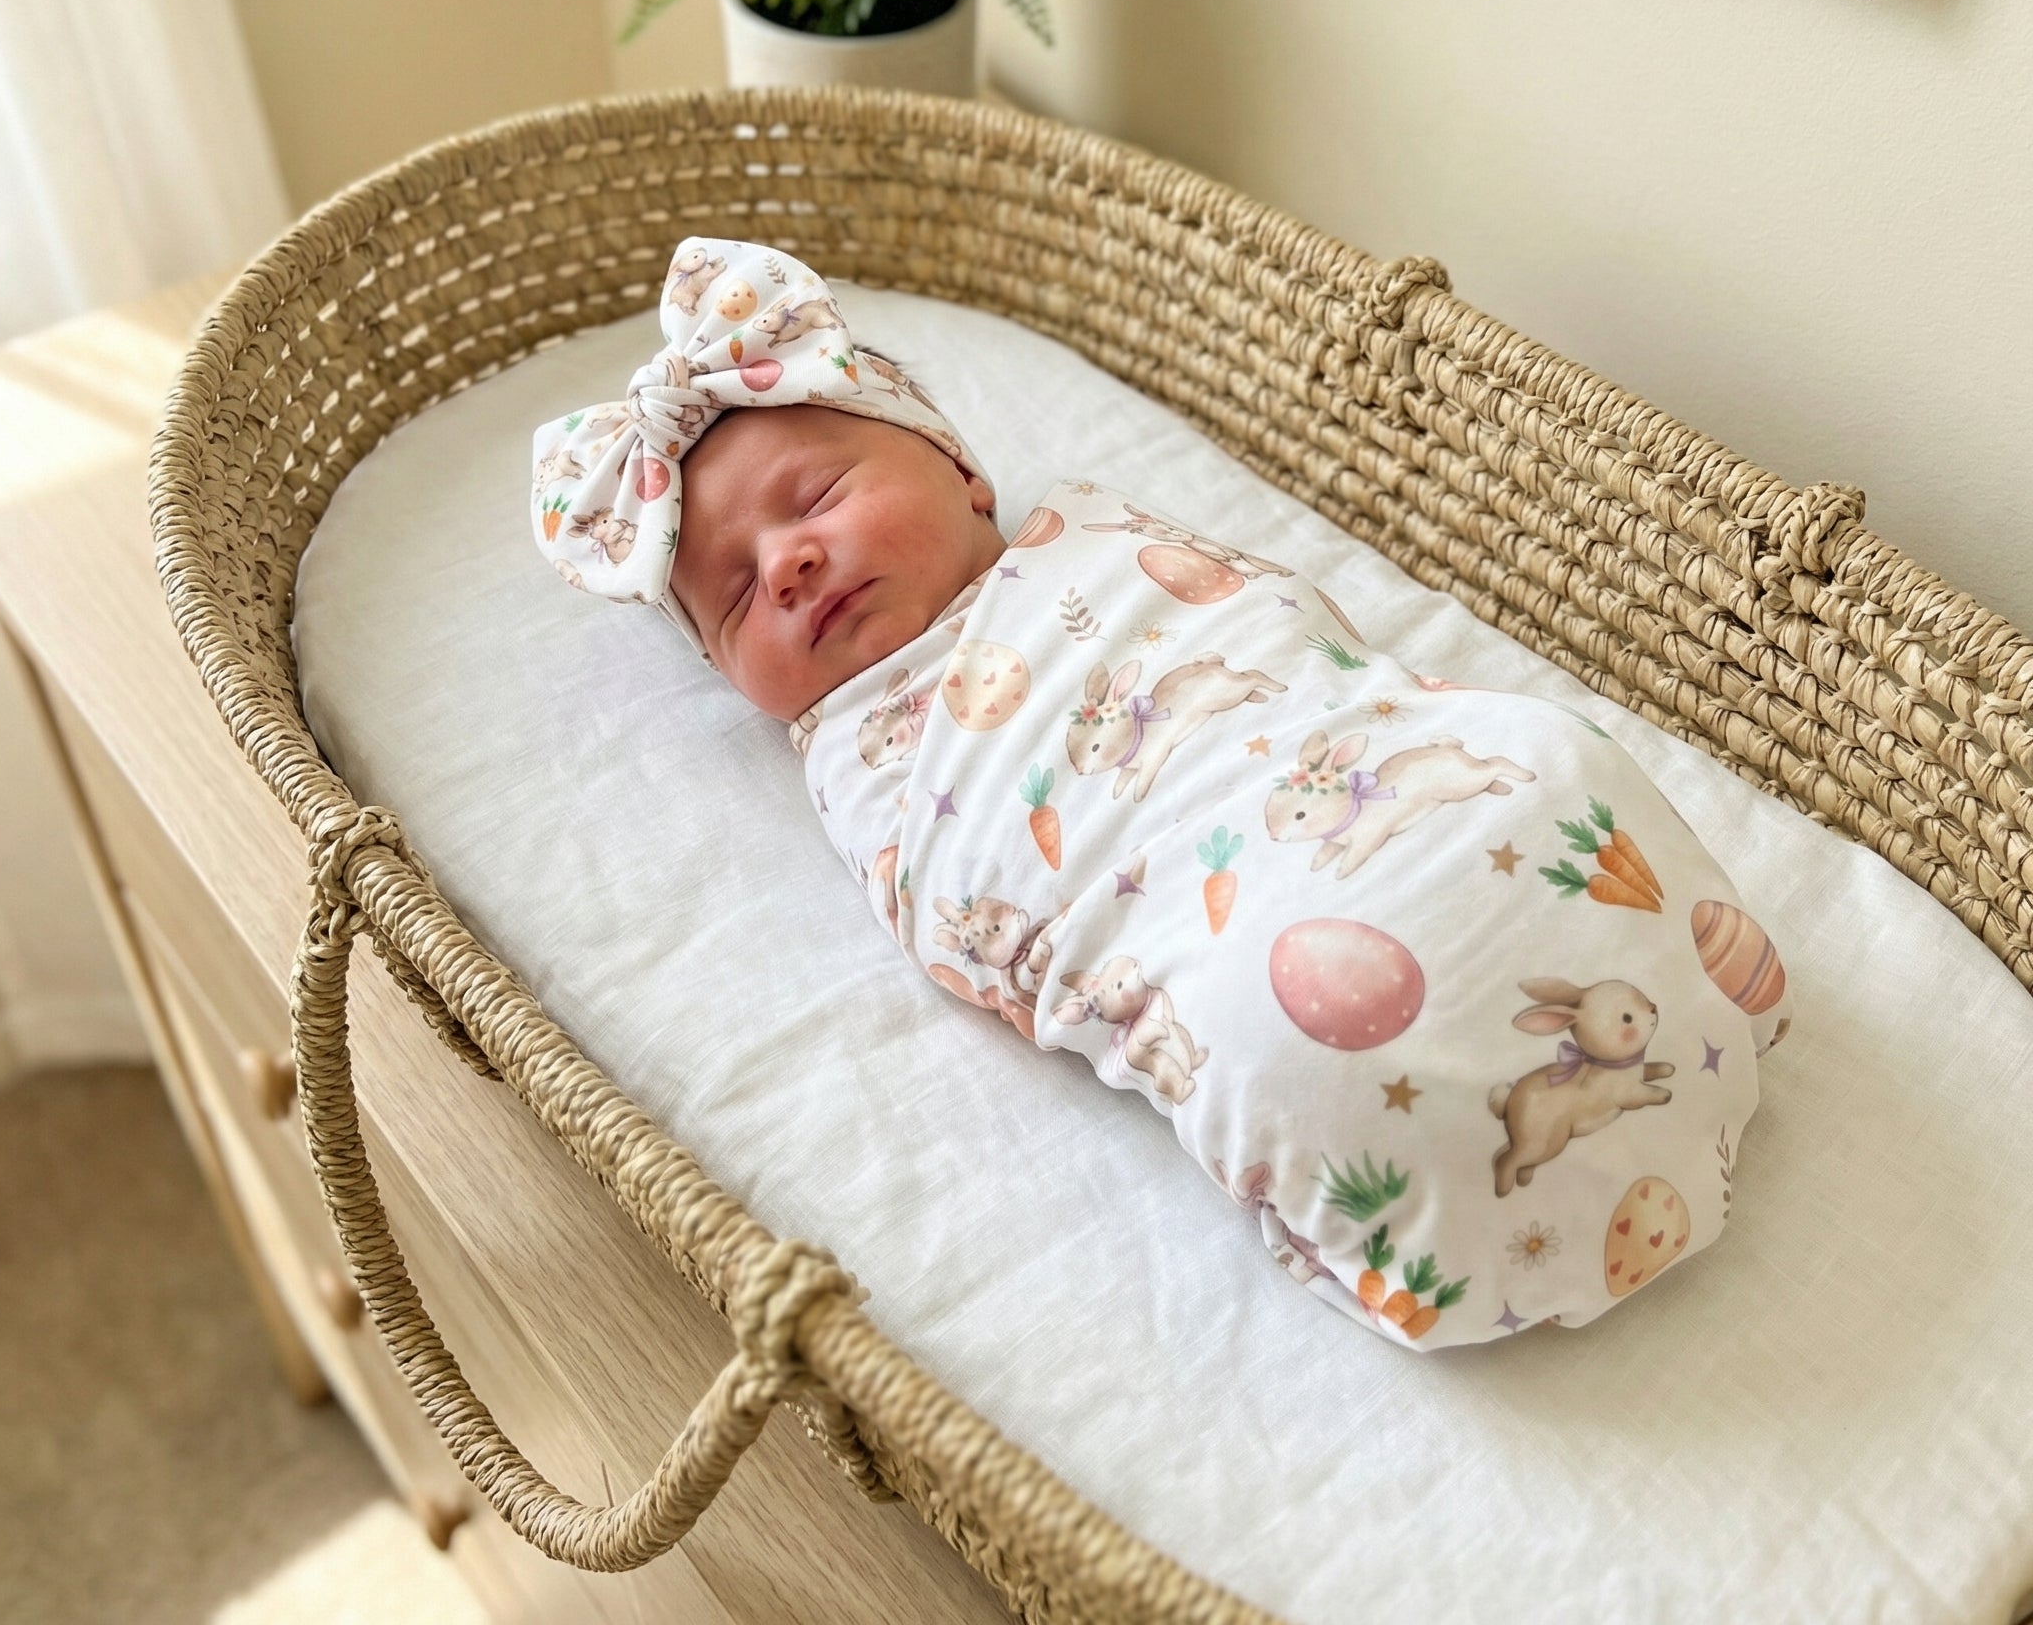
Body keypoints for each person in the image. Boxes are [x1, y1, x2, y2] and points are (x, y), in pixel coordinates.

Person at [530, 237, 1792, 1350]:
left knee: (1538, 755)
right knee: (1266, 1032)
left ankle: (1686, 961)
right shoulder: (865, 760)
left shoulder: (1092, 545)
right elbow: (995, 926)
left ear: (964, 473)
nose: (788, 563)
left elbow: (1295, 645)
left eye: (815, 497)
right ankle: (1424, 1200)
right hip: (1227, 924)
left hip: (1371, 774)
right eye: (738, 597)